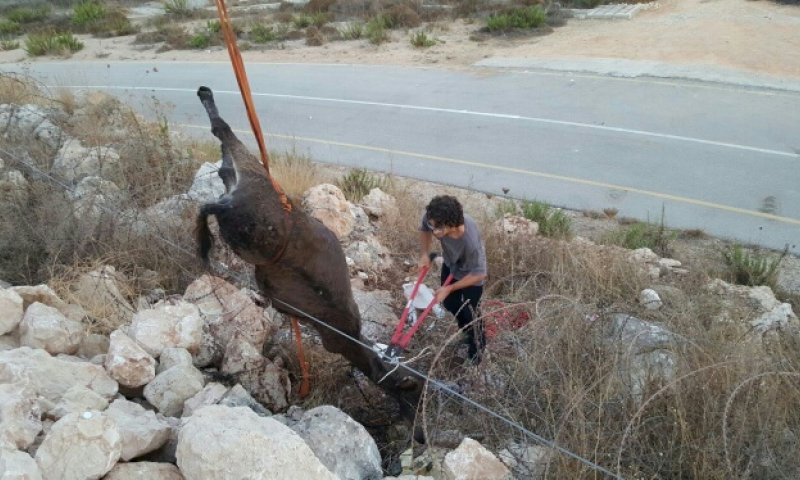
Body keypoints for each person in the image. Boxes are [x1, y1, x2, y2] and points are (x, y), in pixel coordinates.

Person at [419, 195, 487, 364]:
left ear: (452, 224)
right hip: (451, 263)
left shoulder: (469, 241)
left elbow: (480, 274)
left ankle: (477, 348)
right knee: (449, 303)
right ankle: (465, 331)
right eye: (432, 226)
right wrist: (425, 254)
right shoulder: (434, 220)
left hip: (472, 275)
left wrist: (449, 288)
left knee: (470, 313)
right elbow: (424, 229)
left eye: (439, 229)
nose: (435, 232)